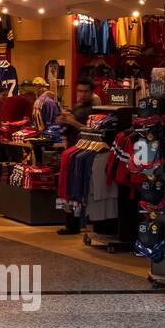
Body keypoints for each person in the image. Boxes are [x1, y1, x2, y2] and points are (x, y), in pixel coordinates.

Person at [55, 80, 97, 235]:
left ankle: (77, 224)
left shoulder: (95, 109)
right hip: (73, 150)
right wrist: (62, 121)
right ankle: (70, 224)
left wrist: (72, 121)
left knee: (77, 188)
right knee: (68, 188)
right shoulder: (76, 106)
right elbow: (66, 128)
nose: (82, 94)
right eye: (79, 90)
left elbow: (94, 131)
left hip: (86, 152)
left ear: (91, 92)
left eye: (85, 91)